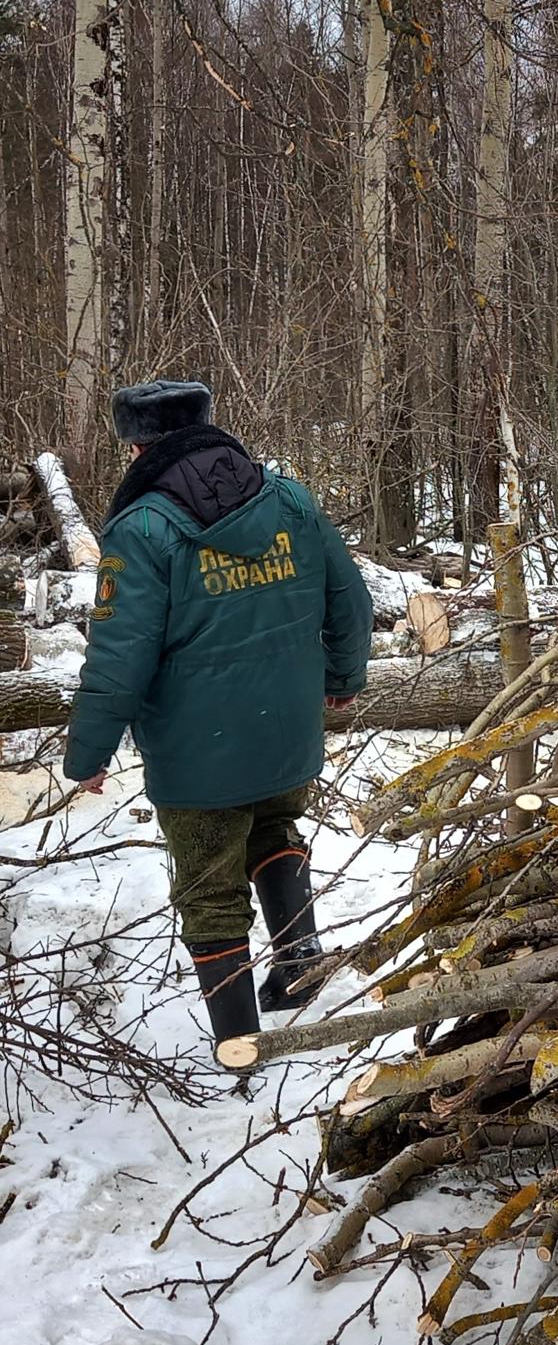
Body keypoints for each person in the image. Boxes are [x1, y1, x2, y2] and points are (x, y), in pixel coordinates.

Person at [62, 380, 375, 1058]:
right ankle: (299, 966)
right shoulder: (287, 497)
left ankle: (240, 1047)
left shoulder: (140, 529)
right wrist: (344, 679)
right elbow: (349, 600)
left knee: (208, 882)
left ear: (139, 446)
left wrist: (87, 754)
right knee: (273, 824)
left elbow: (118, 658)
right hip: (288, 727)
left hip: (196, 750)